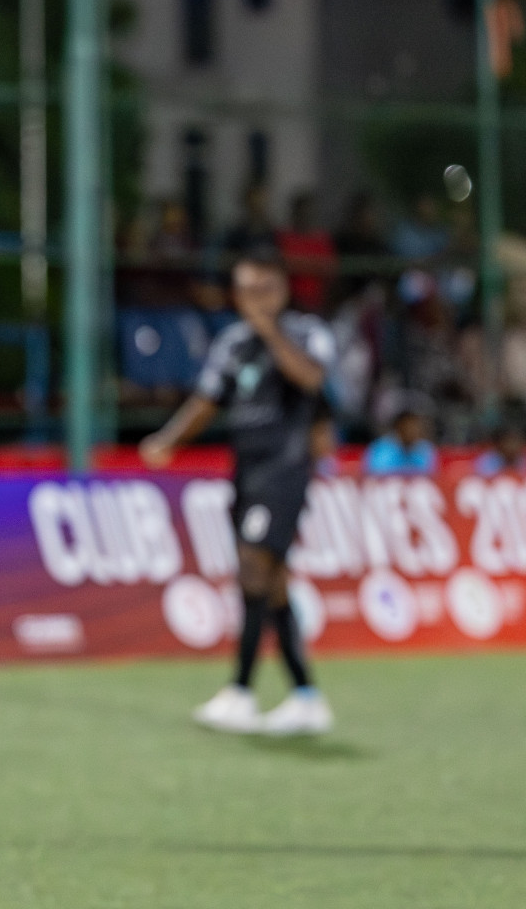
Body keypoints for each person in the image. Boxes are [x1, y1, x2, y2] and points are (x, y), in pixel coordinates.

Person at [141, 249, 336, 736]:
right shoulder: (232, 344)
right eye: (244, 291)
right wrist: (167, 440)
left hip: (286, 469)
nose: (253, 301)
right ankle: (306, 696)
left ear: (283, 290)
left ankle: (242, 691)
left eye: (263, 290)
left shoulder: (306, 333)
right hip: (246, 471)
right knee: (271, 581)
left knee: (254, 567)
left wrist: (272, 331)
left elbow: (311, 378)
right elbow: (207, 401)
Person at [363, 401, 438, 477]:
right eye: (408, 427)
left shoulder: (425, 449)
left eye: (415, 427)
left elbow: (431, 476)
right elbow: (375, 475)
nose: (413, 431)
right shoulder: (381, 448)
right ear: (398, 427)